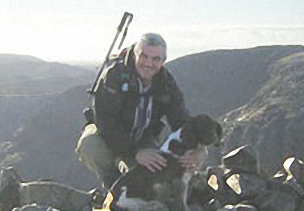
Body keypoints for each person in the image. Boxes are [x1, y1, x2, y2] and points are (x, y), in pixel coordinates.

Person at [76, 33, 207, 190]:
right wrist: (136, 152)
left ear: (163, 61)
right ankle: (112, 188)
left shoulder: (165, 82)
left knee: (150, 173)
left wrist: (199, 148)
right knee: (90, 145)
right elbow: (105, 122)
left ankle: (140, 188)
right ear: (135, 54)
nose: (149, 63)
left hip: (144, 136)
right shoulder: (115, 75)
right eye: (144, 56)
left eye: (155, 59)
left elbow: (180, 119)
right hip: (107, 135)